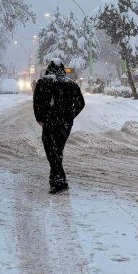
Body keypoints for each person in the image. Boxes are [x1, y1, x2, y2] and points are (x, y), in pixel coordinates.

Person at [32, 58, 85, 194]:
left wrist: (40, 118)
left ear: (49, 69)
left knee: (52, 151)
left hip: (49, 122)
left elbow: (37, 102)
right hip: (64, 124)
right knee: (57, 150)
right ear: (62, 69)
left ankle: (58, 182)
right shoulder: (70, 84)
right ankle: (58, 180)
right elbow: (81, 103)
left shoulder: (43, 82)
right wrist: (69, 116)